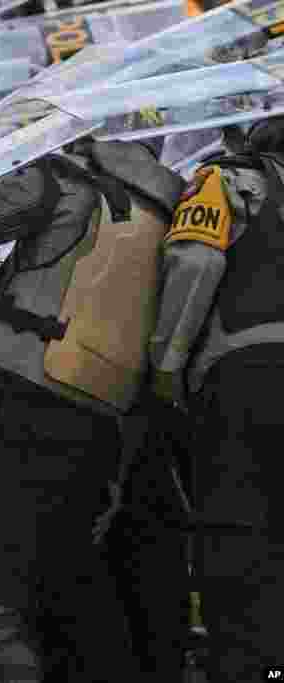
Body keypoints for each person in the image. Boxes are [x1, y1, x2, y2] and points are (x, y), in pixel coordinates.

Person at [0, 139, 186, 682]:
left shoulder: (67, 180)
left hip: (34, 400)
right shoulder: (172, 213)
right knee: (70, 585)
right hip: (106, 424)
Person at [147, 117, 284, 682]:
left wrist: (165, 367)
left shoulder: (226, 180)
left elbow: (195, 261)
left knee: (238, 539)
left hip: (246, 377)